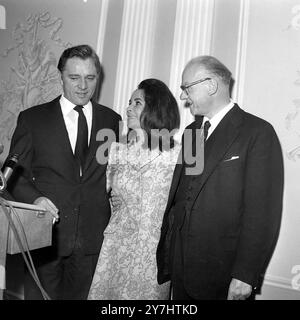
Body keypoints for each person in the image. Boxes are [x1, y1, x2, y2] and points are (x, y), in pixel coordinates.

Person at [156, 55, 284, 300]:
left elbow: (262, 212)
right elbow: (185, 196)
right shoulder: (193, 132)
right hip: (181, 271)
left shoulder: (257, 133)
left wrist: (245, 274)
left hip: (223, 276)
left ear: (211, 85)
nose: (182, 96)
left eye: (186, 88)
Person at [6, 44, 121, 299]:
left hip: (92, 240)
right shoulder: (33, 119)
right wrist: (35, 199)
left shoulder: (112, 121)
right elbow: (13, 176)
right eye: (74, 77)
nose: (83, 86)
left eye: (90, 78)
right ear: (61, 76)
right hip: (45, 238)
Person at [88, 78, 181, 300]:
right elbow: (102, 195)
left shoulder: (178, 154)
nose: (128, 107)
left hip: (152, 255)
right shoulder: (115, 151)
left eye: (137, 103)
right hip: (116, 248)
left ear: (155, 108)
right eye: (129, 102)